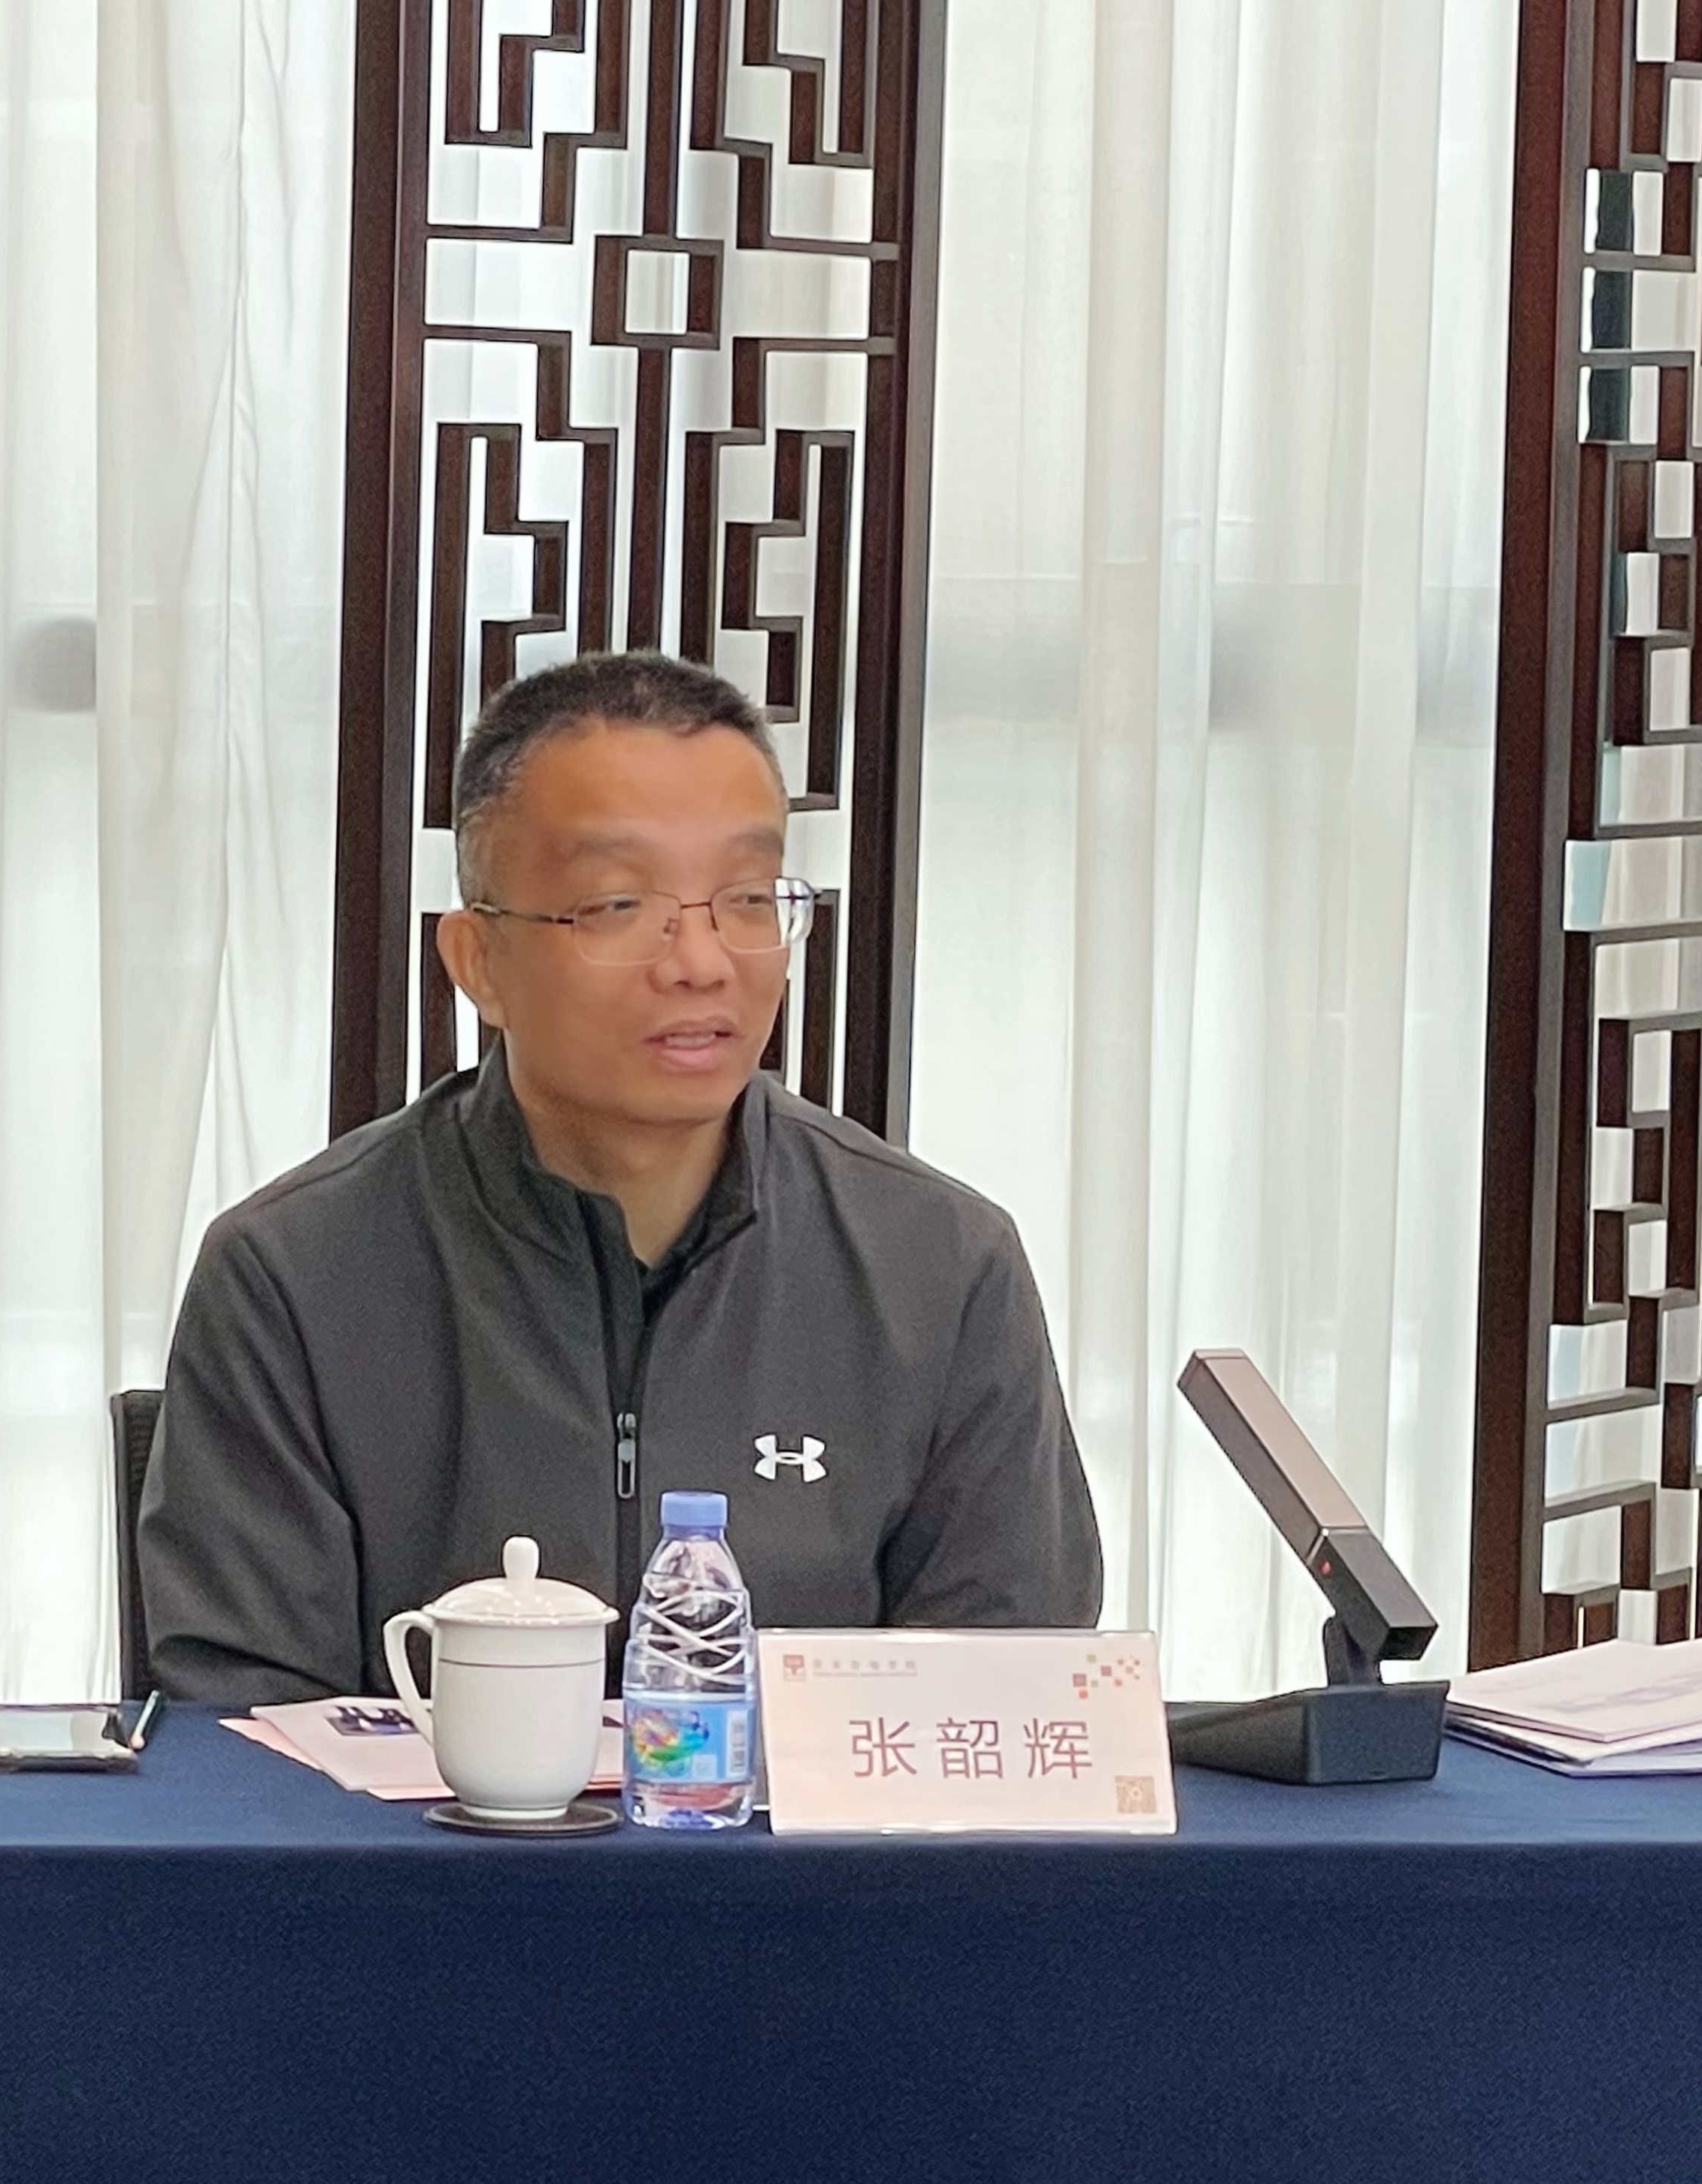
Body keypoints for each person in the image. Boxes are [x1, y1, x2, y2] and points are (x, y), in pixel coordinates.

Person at [137, 650, 1101, 1702]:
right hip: (412, 1821)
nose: (701, 961)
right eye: (617, 904)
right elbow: (241, 1734)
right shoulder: (294, 1276)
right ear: (479, 962)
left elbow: (1004, 1704)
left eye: (747, 897)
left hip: (805, 1824)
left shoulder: (941, 1270)